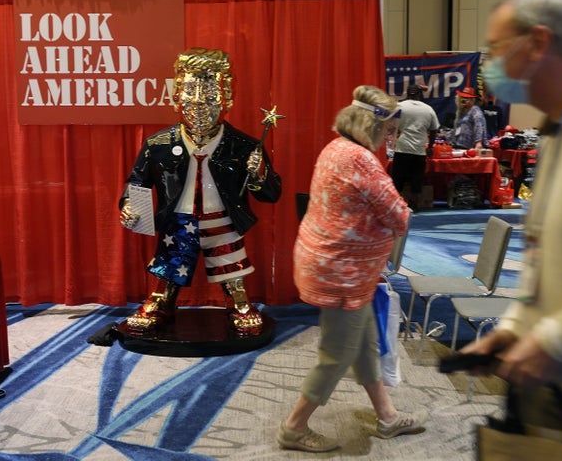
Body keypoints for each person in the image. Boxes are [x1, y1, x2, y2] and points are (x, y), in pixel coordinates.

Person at [461, 0, 562, 455]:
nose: (489, 62)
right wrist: (515, 327)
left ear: (537, 43)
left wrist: (552, 340)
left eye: (495, 47)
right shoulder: (558, 127)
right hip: (552, 388)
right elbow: (544, 259)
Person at [277, 85, 427, 453]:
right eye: (389, 130)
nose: (391, 137)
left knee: (364, 344)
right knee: (337, 354)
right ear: (371, 125)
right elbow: (399, 216)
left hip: (335, 266)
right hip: (341, 273)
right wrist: (399, 209)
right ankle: (294, 429)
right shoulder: (360, 160)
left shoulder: (336, 148)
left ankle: (387, 416)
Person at [119, 47, 282, 334]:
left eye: (210, 95)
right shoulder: (158, 144)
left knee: (230, 263)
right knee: (169, 264)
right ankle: (160, 301)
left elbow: (270, 193)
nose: (199, 104)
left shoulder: (244, 146)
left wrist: (257, 173)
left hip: (223, 220)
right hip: (178, 221)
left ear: (227, 97)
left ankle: (238, 301)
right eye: (191, 93)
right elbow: (137, 182)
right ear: (177, 96)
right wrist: (130, 206)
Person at [391, 84, 440, 211]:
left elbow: (390, 123)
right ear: (419, 94)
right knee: (416, 179)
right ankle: (414, 204)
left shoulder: (399, 106)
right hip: (419, 150)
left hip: (402, 148)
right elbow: (434, 129)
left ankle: (396, 204)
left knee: (398, 178)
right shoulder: (428, 109)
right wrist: (430, 146)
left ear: (407, 93)